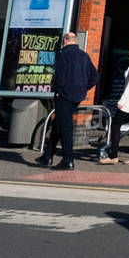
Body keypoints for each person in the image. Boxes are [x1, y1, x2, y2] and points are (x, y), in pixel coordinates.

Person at [36, 32, 98, 170]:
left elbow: (60, 76)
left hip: (64, 96)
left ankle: (68, 160)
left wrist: (58, 90)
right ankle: (47, 156)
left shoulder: (63, 55)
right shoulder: (84, 56)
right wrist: (83, 88)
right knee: (58, 125)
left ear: (64, 41)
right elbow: (94, 76)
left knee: (65, 127)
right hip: (77, 96)